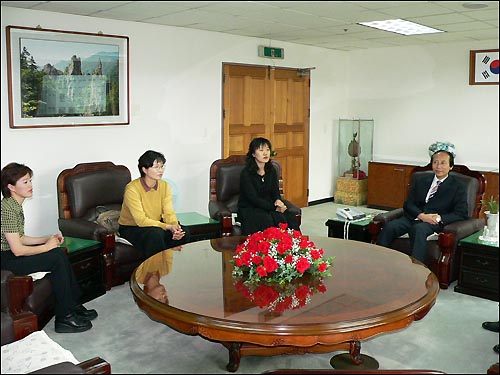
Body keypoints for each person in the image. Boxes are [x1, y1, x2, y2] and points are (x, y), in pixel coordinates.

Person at [1, 162, 97, 333]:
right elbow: (18, 249)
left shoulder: (14, 205)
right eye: (25, 182)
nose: (30, 185)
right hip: (7, 260)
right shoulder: (7, 209)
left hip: (11, 254)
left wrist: (46, 239)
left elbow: (20, 238)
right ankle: (65, 318)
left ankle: (72, 305)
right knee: (55, 257)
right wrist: (46, 246)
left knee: (57, 252)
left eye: (30, 180)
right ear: (11, 187)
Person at [376, 143, 468, 262]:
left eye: (443, 163)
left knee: (419, 229)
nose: (438, 166)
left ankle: (417, 270)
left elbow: (461, 213)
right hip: (414, 217)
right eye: (435, 162)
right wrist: (420, 215)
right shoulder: (421, 180)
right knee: (390, 226)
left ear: (451, 166)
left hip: (434, 222)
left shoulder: (458, 186)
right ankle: (378, 261)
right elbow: (408, 204)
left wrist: (439, 218)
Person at [118, 150, 190, 259]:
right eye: (156, 167)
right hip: (132, 227)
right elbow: (141, 220)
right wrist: (167, 227)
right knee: (156, 235)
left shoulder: (165, 186)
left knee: (184, 231)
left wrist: (175, 226)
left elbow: (168, 212)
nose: (160, 170)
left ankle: (172, 267)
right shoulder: (132, 189)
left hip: (155, 224)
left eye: (162, 167)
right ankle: (153, 269)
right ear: (144, 169)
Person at [237, 137, 300, 235]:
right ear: (253, 154)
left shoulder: (271, 170)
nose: (265, 153)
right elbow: (253, 198)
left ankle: (293, 247)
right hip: (250, 207)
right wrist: (274, 207)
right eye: (261, 150)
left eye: (267, 149)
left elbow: (275, 191)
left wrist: (278, 200)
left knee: (289, 218)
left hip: (268, 205)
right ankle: (268, 248)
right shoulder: (246, 173)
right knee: (266, 220)